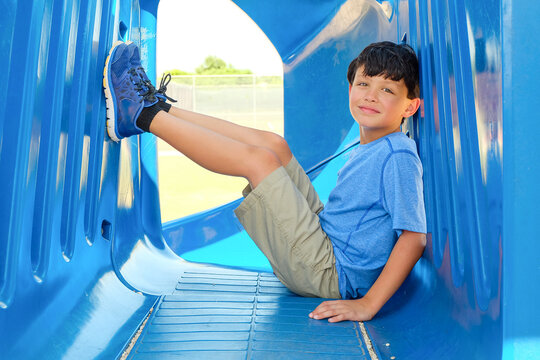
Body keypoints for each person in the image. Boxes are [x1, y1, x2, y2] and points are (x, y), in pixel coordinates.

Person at [103, 40, 426, 323]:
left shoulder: (397, 154)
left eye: (387, 90)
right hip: (325, 240)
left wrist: (368, 305)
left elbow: (413, 237)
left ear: (410, 106)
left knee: (260, 162)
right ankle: (159, 107)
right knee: (275, 145)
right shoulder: (374, 146)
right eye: (364, 84)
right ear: (350, 88)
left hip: (329, 271)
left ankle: (141, 116)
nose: (371, 96)